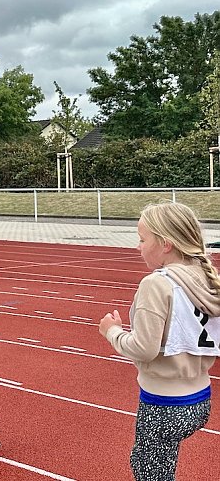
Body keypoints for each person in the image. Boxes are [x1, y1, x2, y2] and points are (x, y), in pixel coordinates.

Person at [99, 202, 220, 480]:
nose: (138, 247)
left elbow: (144, 349)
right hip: (200, 399)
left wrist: (112, 332)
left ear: (166, 244)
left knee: (149, 472)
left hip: (164, 404)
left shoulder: (156, 284)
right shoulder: (207, 277)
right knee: (161, 467)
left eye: (142, 240)